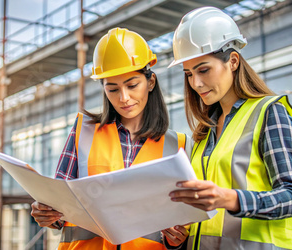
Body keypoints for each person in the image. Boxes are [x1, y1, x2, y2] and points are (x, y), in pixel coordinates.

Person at [31, 27, 191, 249]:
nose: (124, 98)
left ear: (151, 82)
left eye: (132, 85)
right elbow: (60, 209)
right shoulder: (83, 132)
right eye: (113, 89)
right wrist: (47, 214)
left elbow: (183, 224)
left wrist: (178, 240)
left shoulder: (178, 145)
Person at [167, 7, 292, 250]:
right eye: (188, 74)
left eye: (204, 69)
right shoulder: (204, 132)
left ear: (232, 61)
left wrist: (230, 198)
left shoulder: (269, 113)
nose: (196, 83)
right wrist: (179, 234)